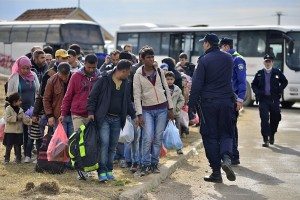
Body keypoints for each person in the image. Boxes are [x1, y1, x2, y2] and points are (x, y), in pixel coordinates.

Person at [189, 33, 236, 183]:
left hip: (209, 104)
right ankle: (227, 158)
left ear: (208, 44)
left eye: (204, 43)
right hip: (227, 101)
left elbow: (196, 85)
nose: (203, 45)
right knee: (227, 132)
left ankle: (216, 172)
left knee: (210, 136)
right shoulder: (229, 58)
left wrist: (191, 105)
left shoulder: (203, 60)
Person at [87, 59, 136, 182]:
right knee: (104, 144)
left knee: (113, 146)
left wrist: (134, 116)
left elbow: (128, 102)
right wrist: (91, 112)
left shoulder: (126, 83)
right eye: (128, 72)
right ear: (123, 71)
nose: (129, 74)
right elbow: (92, 97)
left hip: (118, 119)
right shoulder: (104, 79)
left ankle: (109, 170)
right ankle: (102, 171)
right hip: (104, 118)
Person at [133, 46, 174, 176]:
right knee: (147, 137)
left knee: (157, 138)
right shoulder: (138, 74)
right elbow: (137, 95)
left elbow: (166, 90)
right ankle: (144, 164)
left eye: (152, 57)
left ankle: (154, 164)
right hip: (146, 110)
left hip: (162, 108)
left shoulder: (160, 71)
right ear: (142, 59)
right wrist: (139, 114)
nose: (151, 60)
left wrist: (170, 108)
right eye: (148, 57)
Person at [219, 37, 247, 165]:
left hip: (233, 99)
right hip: (224, 98)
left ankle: (234, 155)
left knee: (231, 127)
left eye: (221, 47)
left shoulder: (237, 59)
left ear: (226, 47)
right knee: (228, 127)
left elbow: (242, 82)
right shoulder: (226, 59)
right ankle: (231, 155)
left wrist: (240, 100)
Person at [251, 54, 288, 147]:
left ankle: (272, 134)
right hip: (263, 100)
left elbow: (285, 82)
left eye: (269, 61)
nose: (268, 63)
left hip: (274, 99)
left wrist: (279, 89)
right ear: (264, 62)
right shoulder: (259, 73)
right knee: (264, 119)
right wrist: (258, 92)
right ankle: (265, 139)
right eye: (266, 61)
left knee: (276, 118)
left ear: (272, 62)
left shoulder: (277, 72)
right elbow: (253, 84)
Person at [7, 56, 40, 156]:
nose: (26, 70)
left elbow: (38, 90)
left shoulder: (33, 75)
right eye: (23, 68)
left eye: (28, 68)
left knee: (29, 132)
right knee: (19, 132)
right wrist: (13, 108)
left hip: (31, 109)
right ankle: (17, 154)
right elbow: (10, 95)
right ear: (19, 67)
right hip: (19, 109)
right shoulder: (14, 77)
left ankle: (27, 153)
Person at [60, 54, 100, 132]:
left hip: (94, 114)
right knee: (79, 139)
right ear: (84, 63)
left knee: (90, 141)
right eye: (89, 67)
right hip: (78, 114)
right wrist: (63, 113)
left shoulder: (99, 78)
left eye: (94, 67)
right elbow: (68, 95)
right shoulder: (76, 76)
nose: (91, 70)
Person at [43, 62, 73, 136]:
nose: (64, 78)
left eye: (66, 76)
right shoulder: (52, 80)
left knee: (73, 142)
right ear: (58, 73)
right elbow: (46, 99)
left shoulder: (75, 78)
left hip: (73, 115)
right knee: (61, 142)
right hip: (58, 116)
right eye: (61, 76)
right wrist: (50, 115)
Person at [3, 93, 32, 164]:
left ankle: (18, 159)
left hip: (19, 132)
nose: (21, 102)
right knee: (8, 146)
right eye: (19, 101)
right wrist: (16, 118)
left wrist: (31, 121)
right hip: (10, 132)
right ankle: (7, 159)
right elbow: (7, 118)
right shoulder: (8, 109)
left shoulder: (21, 110)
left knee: (18, 146)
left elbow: (24, 119)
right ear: (14, 102)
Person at [165, 71, 185, 154]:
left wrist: (177, 108)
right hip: (164, 114)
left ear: (174, 80)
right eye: (167, 79)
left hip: (175, 114)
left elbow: (182, 99)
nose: (169, 81)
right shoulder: (162, 88)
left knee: (177, 130)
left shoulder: (177, 89)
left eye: (171, 79)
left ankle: (178, 148)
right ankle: (163, 147)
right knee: (163, 130)